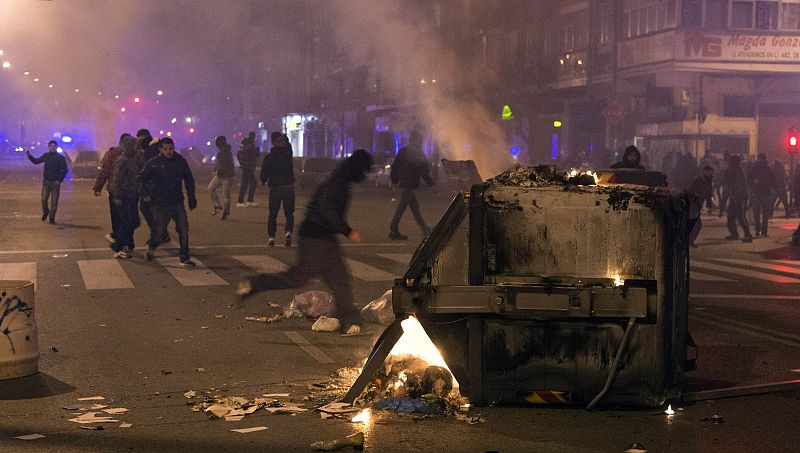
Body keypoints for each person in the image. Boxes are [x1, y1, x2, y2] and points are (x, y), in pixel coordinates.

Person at [237, 149, 374, 336]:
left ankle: (350, 321)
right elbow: (326, 210)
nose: (365, 176)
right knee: (298, 278)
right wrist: (347, 230)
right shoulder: (337, 184)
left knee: (339, 279)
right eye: (364, 171)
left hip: (322, 237)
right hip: (316, 238)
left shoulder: (338, 180)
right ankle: (253, 283)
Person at [138, 138, 198, 266]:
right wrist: (145, 194)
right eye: (165, 149)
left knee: (183, 229)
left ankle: (184, 257)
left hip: (177, 201)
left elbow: (189, 179)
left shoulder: (180, 161)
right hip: (159, 202)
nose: (168, 152)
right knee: (159, 230)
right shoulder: (153, 163)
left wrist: (191, 198)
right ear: (160, 149)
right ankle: (151, 247)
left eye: (170, 149)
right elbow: (141, 179)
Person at [389, 131, 434, 240]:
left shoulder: (405, 151)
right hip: (409, 183)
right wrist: (430, 182)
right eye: (419, 140)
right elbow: (424, 170)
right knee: (402, 206)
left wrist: (394, 180)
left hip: (407, 183)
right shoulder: (417, 153)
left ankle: (424, 228)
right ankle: (394, 228)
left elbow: (395, 166)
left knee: (414, 207)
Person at [93, 133, 131, 245]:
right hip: (127, 190)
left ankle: (118, 238)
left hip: (116, 189)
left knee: (117, 216)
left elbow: (104, 171)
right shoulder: (132, 154)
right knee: (128, 217)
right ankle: (126, 241)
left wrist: (98, 187)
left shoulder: (112, 153)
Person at [261, 132, 296, 247]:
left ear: (272, 142)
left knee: (273, 214)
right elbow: (289, 147)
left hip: (275, 188)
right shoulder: (287, 155)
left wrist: (263, 180)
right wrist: (285, 138)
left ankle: (271, 237)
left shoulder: (270, 157)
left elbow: (264, 172)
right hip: (289, 187)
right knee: (289, 213)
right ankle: (288, 232)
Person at [109, 135, 141, 258]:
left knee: (134, 222)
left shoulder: (133, 159)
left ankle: (125, 243)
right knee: (127, 222)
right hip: (123, 196)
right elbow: (117, 179)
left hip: (132, 195)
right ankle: (118, 247)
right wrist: (117, 196)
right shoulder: (123, 160)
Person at [136, 129, 168, 244]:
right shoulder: (157, 148)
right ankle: (162, 234)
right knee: (156, 210)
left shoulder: (149, 151)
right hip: (162, 186)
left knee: (146, 209)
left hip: (152, 186)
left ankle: (158, 234)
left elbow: (146, 171)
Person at [26, 140, 68, 224]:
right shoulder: (46, 156)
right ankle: (46, 212)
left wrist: (59, 180)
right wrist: (29, 155)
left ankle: (52, 218)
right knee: (44, 199)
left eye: (54, 146)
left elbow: (65, 170)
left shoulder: (60, 158)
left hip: (55, 183)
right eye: (51, 146)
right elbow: (36, 161)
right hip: (46, 182)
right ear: (48, 147)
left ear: (56, 147)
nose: (53, 147)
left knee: (54, 201)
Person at [722, 155, 753, 242]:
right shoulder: (736, 169)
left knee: (740, 216)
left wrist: (726, 176)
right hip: (737, 195)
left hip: (739, 196)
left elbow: (732, 182)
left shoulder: (736, 170)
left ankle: (747, 235)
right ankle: (735, 234)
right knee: (731, 216)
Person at [208, 135, 235, 220]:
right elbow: (218, 162)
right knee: (211, 188)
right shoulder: (223, 151)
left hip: (227, 176)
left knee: (225, 195)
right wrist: (215, 169)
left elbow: (223, 165)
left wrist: (217, 170)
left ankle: (225, 211)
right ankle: (218, 205)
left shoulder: (225, 153)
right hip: (221, 175)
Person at [748, 153, 774, 238]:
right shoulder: (768, 169)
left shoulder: (754, 168)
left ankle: (758, 230)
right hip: (765, 193)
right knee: (764, 214)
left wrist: (754, 184)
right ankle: (763, 231)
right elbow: (772, 180)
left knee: (757, 213)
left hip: (758, 193)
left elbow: (749, 179)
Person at [688, 166, 714, 248]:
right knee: (697, 223)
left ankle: (689, 240)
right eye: (709, 172)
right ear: (705, 171)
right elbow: (692, 191)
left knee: (697, 224)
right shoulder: (699, 180)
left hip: (698, 203)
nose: (710, 173)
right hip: (694, 203)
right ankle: (689, 240)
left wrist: (709, 205)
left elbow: (708, 195)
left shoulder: (708, 181)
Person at [236, 131, 260, 207]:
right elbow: (256, 154)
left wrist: (241, 163)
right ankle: (242, 201)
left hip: (246, 165)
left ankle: (247, 200)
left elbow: (239, 153)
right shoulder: (251, 145)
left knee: (248, 183)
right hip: (248, 166)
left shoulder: (244, 143)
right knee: (248, 183)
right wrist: (257, 149)